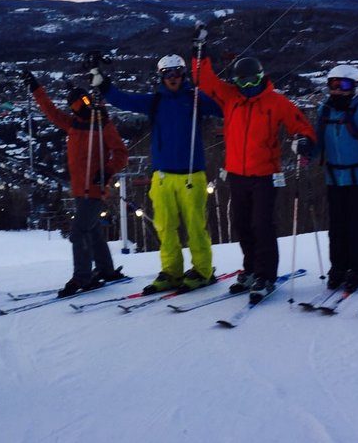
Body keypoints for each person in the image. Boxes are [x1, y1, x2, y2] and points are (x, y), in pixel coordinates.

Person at [191, 25, 316, 295]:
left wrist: (304, 140)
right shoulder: (230, 97)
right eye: (241, 82)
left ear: (261, 77)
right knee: (242, 224)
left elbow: (301, 125)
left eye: (252, 81)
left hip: (265, 175)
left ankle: (265, 274)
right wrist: (200, 53)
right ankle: (250, 270)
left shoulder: (275, 102)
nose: (247, 87)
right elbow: (205, 81)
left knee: (262, 224)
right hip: (237, 174)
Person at [93, 54, 223, 294]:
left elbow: (223, 107)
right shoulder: (155, 101)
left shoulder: (195, 99)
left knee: (195, 227)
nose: (172, 78)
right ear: (161, 76)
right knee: (165, 226)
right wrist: (103, 84)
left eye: (176, 73)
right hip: (162, 176)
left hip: (191, 175)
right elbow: (124, 100)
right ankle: (172, 272)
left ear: (183, 75)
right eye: (167, 74)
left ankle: (203, 271)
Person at [26, 71, 129, 297]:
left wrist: (107, 171)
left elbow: (121, 153)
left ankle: (82, 276)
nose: (81, 106)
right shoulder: (74, 124)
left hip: (94, 188)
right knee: (91, 231)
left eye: (84, 101)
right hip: (79, 189)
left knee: (78, 232)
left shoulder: (102, 124)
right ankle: (106, 269)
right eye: (76, 104)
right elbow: (50, 110)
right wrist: (36, 88)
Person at [303, 64, 358, 292]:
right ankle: (339, 267)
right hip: (335, 178)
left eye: (342, 85)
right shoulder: (326, 111)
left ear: (354, 86)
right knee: (337, 226)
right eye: (332, 85)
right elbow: (319, 145)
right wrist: (306, 151)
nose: (337, 90)